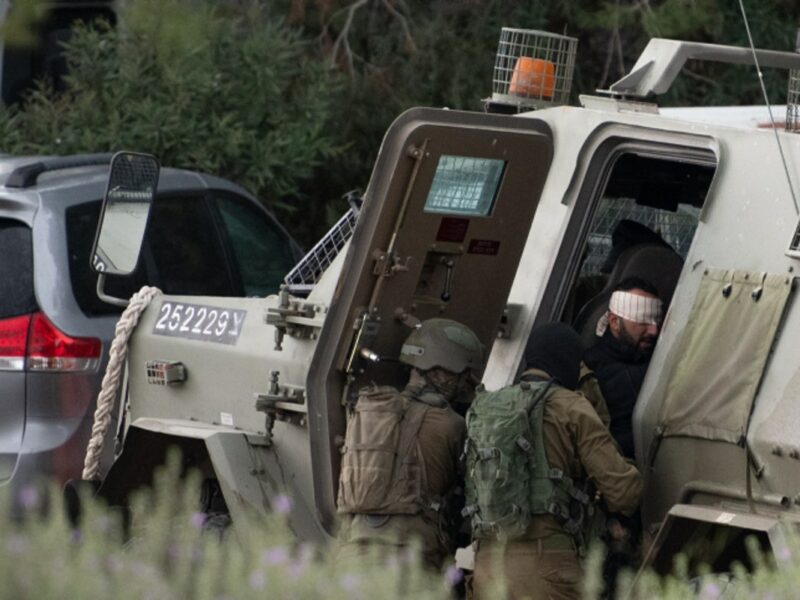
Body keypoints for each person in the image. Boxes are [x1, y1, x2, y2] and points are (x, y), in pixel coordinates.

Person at [468, 323, 643, 600]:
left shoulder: (489, 406)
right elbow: (624, 494)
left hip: (487, 565)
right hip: (548, 567)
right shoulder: (572, 407)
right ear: (567, 359)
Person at [336, 318, 485, 572]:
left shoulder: (366, 411)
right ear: (441, 370)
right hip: (412, 566)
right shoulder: (451, 425)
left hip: (350, 558)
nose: (464, 385)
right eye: (463, 375)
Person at [584, 277, 662, 459]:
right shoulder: (591, 371)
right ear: (614, 322)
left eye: (656, 321)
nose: (653, 331)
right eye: (642, 321)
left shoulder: (661, 360)